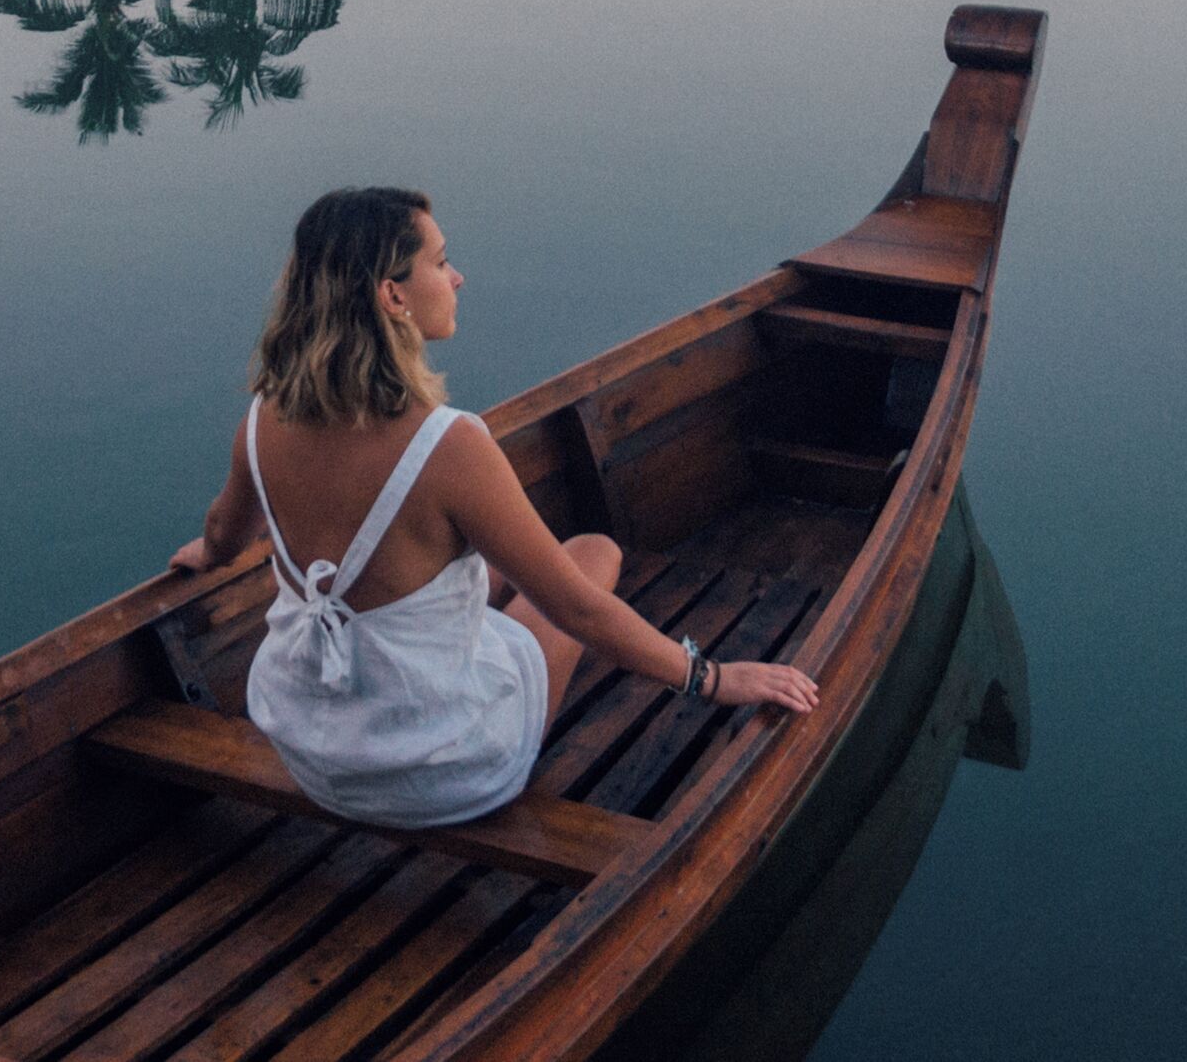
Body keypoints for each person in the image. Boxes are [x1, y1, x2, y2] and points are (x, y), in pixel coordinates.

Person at [171, 184, 817, 829]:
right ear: (392, 295)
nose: (458, 276)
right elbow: (579, 609)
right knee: (593, 555)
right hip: (441, 778)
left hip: (314, 756)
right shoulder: (448, 446)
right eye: (440, 260)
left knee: (477, 570)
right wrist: (713, 677)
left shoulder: (262, 419)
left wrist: (207, 553)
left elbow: (223, 532)